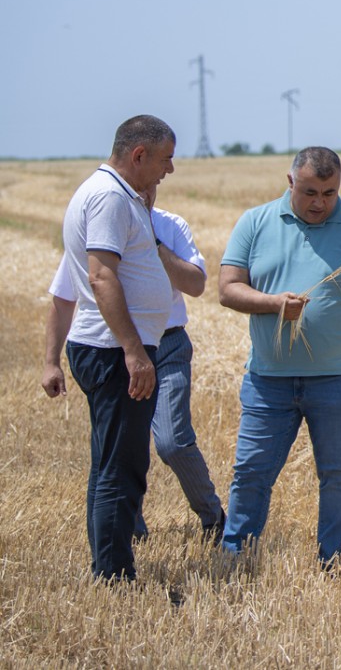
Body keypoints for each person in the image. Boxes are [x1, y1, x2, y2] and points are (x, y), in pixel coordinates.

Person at [218, 146, 341, 567]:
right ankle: (234, 559)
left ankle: (332, 563)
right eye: (310, 192)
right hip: (269, 379)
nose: (320, 202)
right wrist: (273, 304)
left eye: (329, 192)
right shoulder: (255, 222)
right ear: (290, 183)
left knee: (339, 476)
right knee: (250, 473)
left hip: (338, 379)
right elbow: (227, 289)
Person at [44, 183, 225, 543]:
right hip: (116, 346)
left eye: (152, 185)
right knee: (124, 445)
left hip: (168, 342)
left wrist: (152, 247)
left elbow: (197, 284)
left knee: (172, 441)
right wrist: (51, 361)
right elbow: (64, 298)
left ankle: (213, 517)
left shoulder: (171, 225)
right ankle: (129, 531)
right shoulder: (99, 223)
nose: (146, 191)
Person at [41, 114, 175, 582]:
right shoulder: (108, 198)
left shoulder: (116, 196)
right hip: (114, 353)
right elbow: (100, 277)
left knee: (109, 465)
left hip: (105, 348)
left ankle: (107, 568)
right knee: (121, 468)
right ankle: (114, 575)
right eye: (165, 159)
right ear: (138, 155)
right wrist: (134, 352)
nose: (169, 169)